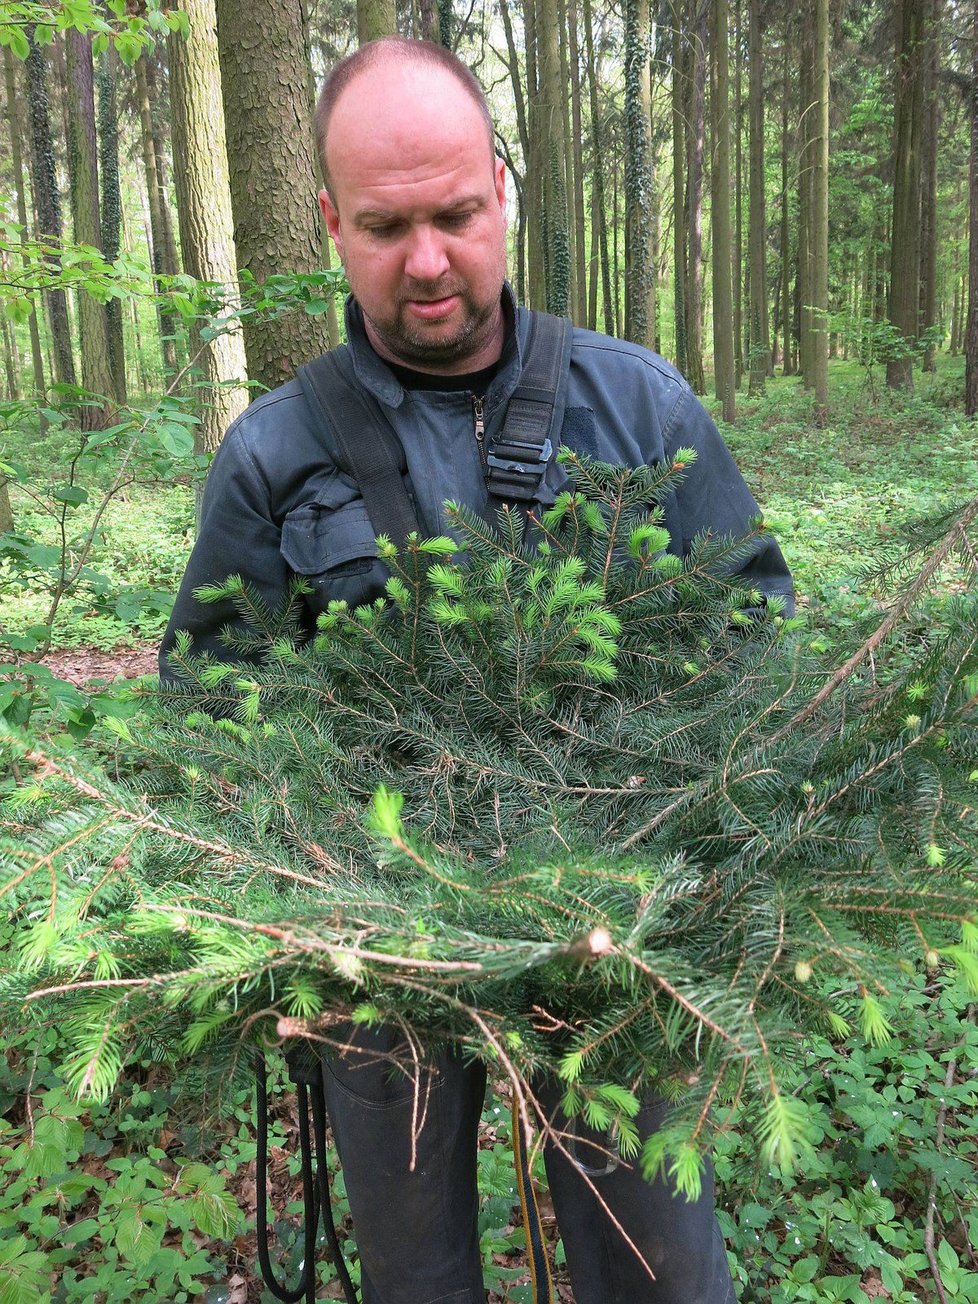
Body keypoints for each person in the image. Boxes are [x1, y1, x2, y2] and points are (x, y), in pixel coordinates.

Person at [161, 36, 791, 1304]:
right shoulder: (273, 457)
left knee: (659, 1269)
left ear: (504, 187)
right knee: (413, 1276)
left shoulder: (639, 408)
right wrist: (293, 880)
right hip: (376, 957)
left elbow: (754, 639)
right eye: (387, 226)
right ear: (332, 222)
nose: (430, 259)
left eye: (454, 212)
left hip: (615, 934)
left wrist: (685, 830)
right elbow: (206, 706)